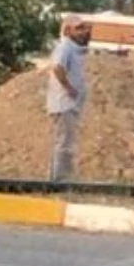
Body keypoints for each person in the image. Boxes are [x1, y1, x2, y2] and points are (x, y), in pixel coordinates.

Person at [46, 15, 91, 182]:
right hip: (63, 104)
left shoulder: (73, 48)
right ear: (67, 30)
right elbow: (58, 67)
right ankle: (58, 180)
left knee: (66, 141)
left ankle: (61, 177)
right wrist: (69, 88)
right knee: (64, 143)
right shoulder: (65, 46)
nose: (83, 32)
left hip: (69, 105)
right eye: (78, 28)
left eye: (84, 28)